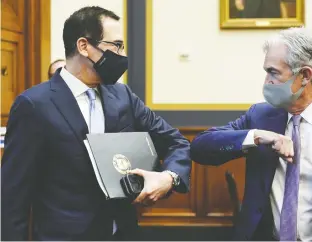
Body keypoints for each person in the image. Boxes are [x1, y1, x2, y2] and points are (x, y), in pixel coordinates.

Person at [1, 6, 191, 241]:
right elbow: (13, 197)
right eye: (116, 45)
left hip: (121, 234)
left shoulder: (124, 97)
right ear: (84, 46)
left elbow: (176, 142)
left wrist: (168, 177)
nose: (122, 54)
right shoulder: (33, 105)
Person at [190, 28, 312, 240]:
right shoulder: (260, 116)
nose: (267, 80)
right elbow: (200, 147)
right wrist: (256, 136)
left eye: (273, 72)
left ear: (305, 75)